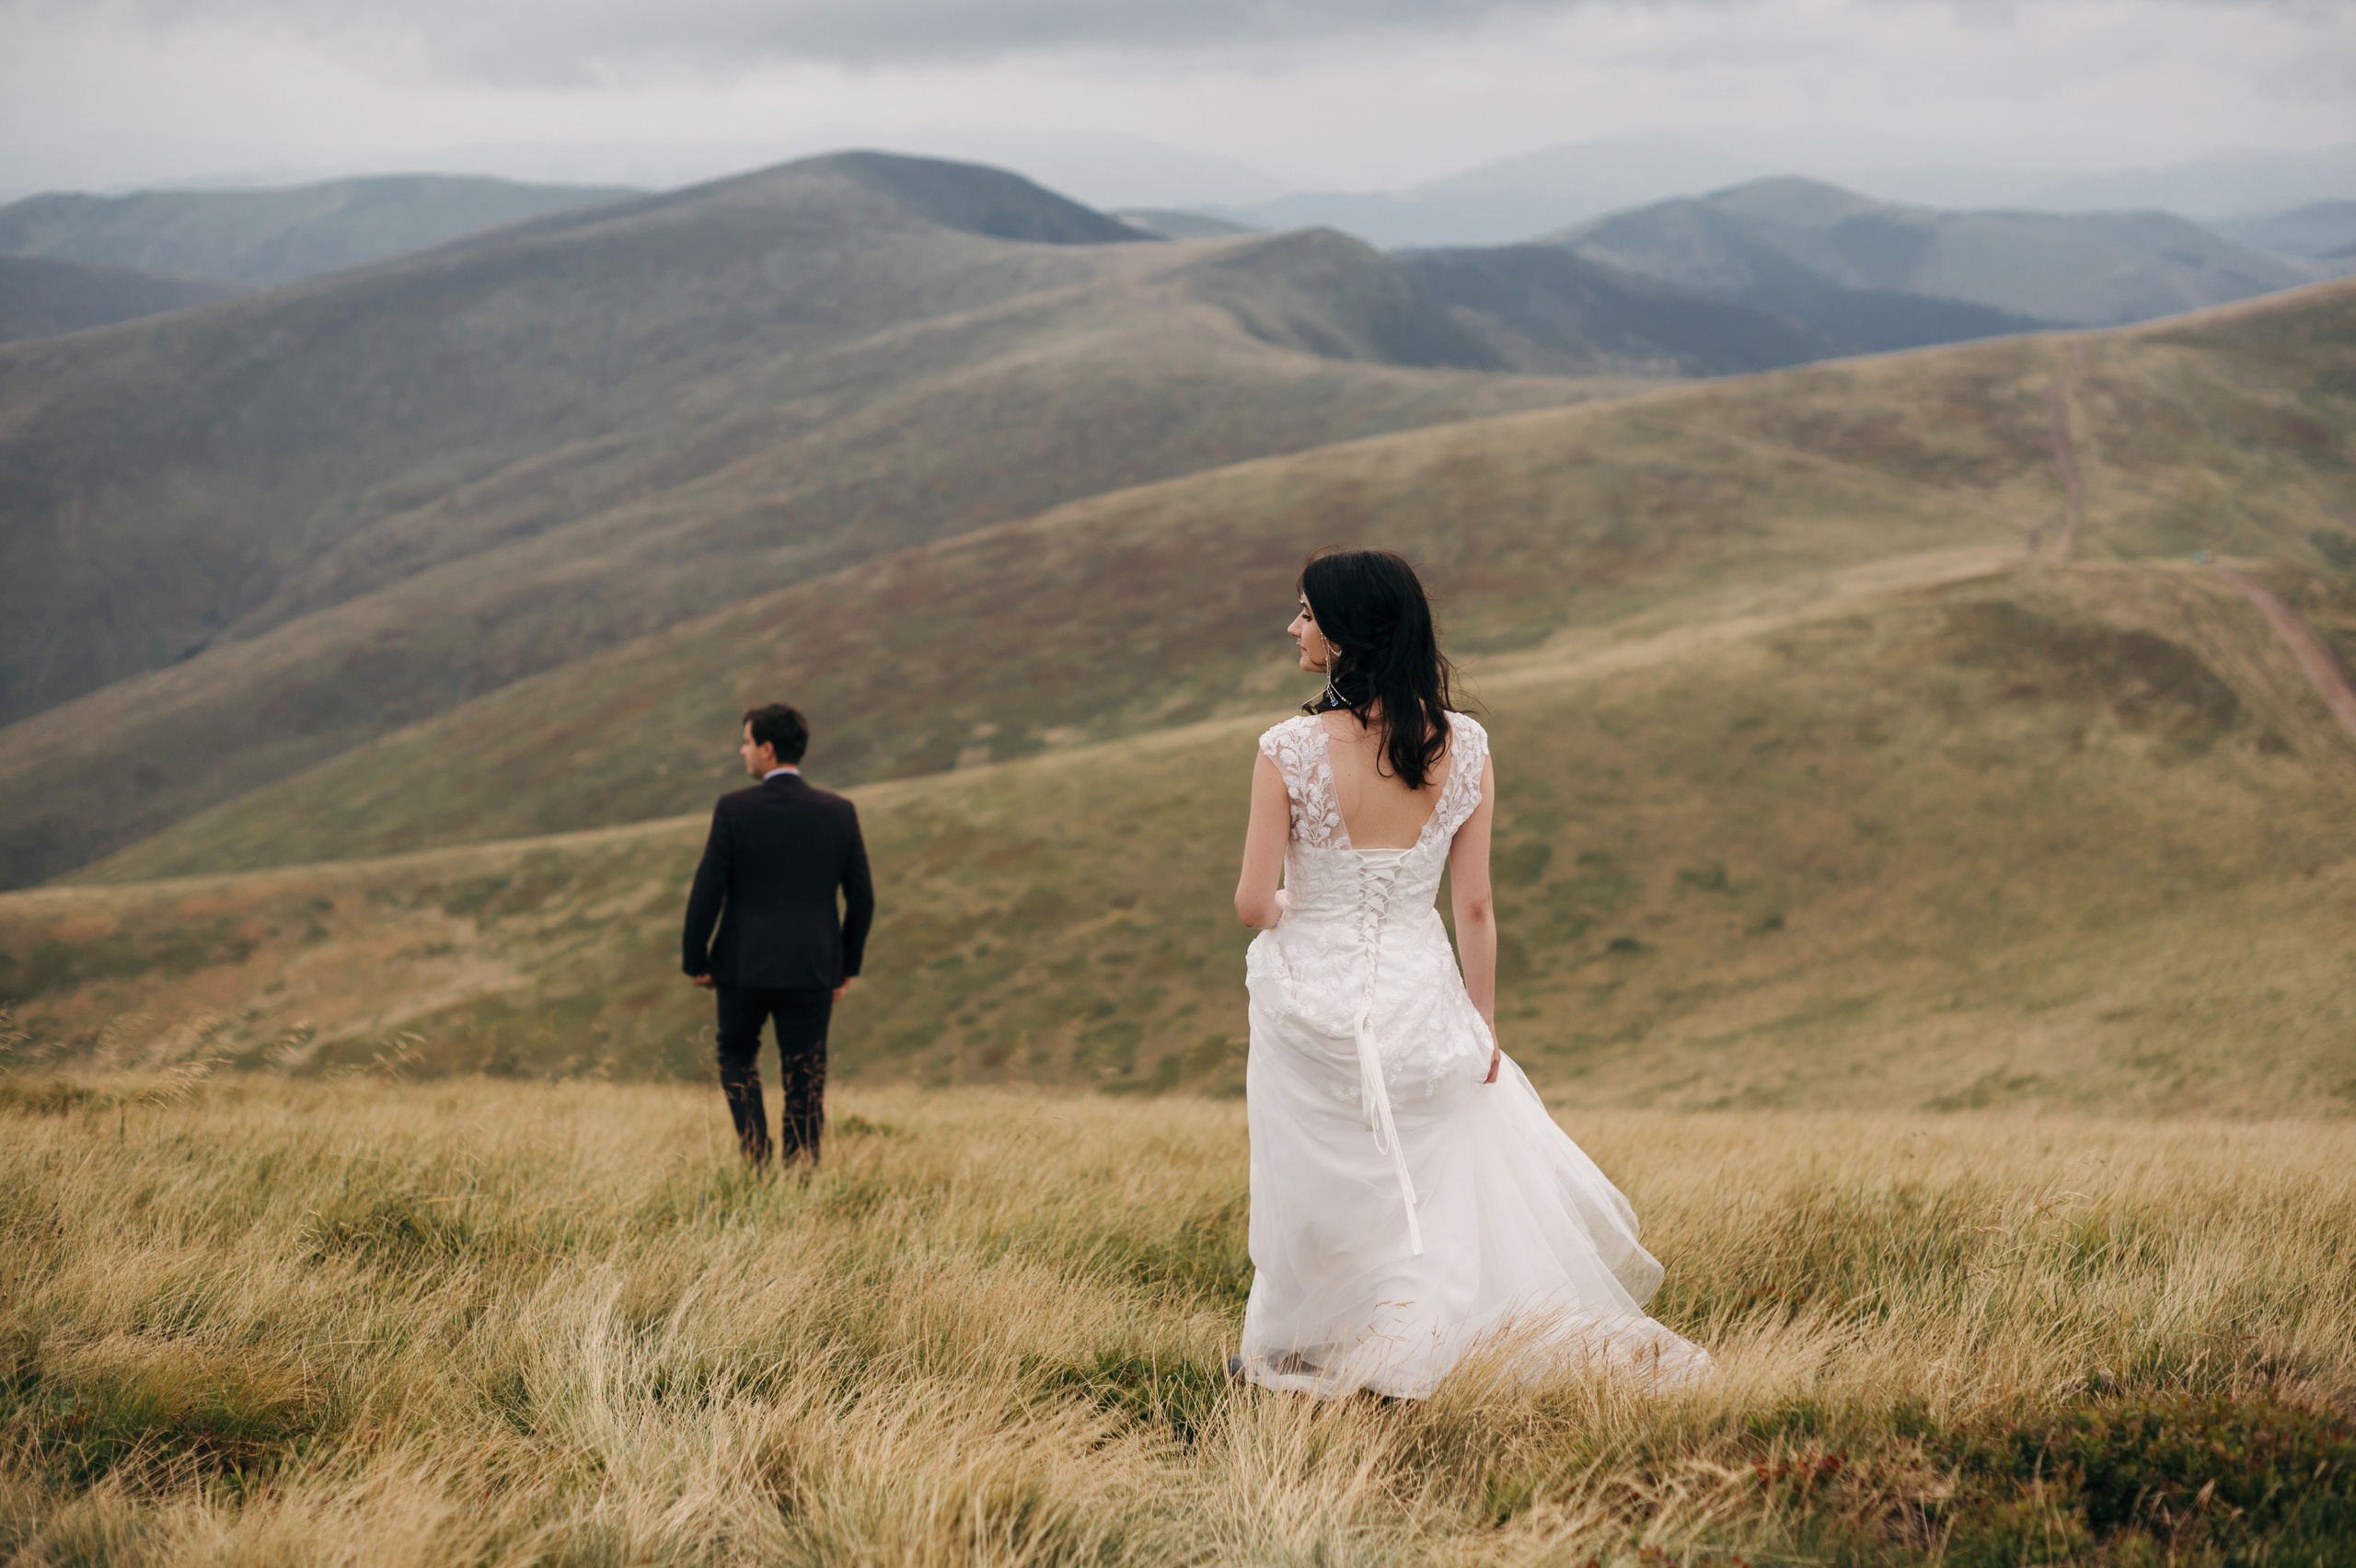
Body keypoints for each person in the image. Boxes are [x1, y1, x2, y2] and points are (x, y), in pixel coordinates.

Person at [1230, 548, 1709, 1399]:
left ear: (1345, 633)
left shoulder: (1287, 749)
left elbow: (1249, 902)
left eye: (1306, 612)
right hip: (1421, 996)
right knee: (1429, 1185)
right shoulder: (1465, 744)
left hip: (1316, 997)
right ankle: (1418, 1338)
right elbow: (1476, 905)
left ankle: (1320, 1339)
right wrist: (1482, 1024)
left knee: (1321, 1178)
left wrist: (1306, 913)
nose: (1294, 626)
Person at [683, 703, 874, 1170]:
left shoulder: (733, 809)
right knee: (805, 1075)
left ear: (767, 750)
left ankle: (756, 1156)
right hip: (812, 968)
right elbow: (862, 899)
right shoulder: (839, 811)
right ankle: (801, 1172)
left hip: (740, 965)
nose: (742, 751)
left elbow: (707, 890)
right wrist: (844, 967)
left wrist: (697, 960)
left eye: (747, 742)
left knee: (736, 1054)